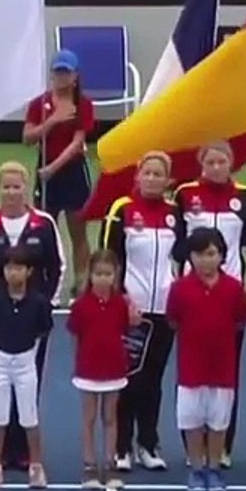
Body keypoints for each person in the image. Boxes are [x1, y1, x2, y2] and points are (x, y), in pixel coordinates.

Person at [0, 161, 66, 471]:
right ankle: (0, 452)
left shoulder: (44, 224)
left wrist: (46, 306)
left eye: (17, 186)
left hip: (31, 321)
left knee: (28, 382)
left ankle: (25, 451)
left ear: (26, 188)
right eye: (6, 186)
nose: (11, 192)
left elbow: (57, 268)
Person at [172, 142, 246, 467]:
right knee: (191, 373)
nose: (215, 166)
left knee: (226, 373)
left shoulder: (245, 197)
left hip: (229, 295)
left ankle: (222, 447)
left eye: (221, 161)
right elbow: (177, 242)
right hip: (192, 296)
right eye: (210, 161)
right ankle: (192, 448)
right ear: (201, 164)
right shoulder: (184, 194)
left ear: (231, 163)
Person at [99, 151, 177, 473]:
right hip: (132, 311)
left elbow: (184, 257)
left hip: (165, 311)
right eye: (148, 173)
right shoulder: (122, 210)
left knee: (154, 380)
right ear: (138, 176)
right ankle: (121, 447)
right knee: (128, 379)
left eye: (159, 174)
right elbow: (108, 259)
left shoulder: (176, 214)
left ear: (167, 180)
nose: (153, 179)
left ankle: (148, 443)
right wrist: (122, 301)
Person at [167, 228, 246, 491]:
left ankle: (214, 468)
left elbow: (240, 319)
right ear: (191, 257)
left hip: (223, 367)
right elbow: (173, 319)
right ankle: (196, 468)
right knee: (191, 421)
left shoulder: (233, 288)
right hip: (191, 367)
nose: (206, 260)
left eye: (211, 254)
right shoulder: (180, 289)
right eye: (200, 255)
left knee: (218, 422)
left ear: (221, 256)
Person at [0, 247, 55, 489]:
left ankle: (36, 466)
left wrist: (27, 345)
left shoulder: (38, 303)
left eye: (19, 268)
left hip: (25, 362)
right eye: (10, 268)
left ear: (29, 271)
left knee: (28, 415)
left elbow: (45, 327)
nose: (14, 273)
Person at [25, 49, 96, 299]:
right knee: (44, 230)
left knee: (78, 231)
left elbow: (78, 142)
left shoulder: (83, 105)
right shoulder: (39, 105)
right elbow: (28, 138)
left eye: (66, 72)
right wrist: (53, 120)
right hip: (45, 174)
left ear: (75, 75)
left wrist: (52, 169)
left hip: (73, 173)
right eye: (58, 71)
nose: (62, 77)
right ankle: (48, 282)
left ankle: (81, 283)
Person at [68, 249, 140, 489]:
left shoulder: (121, 304)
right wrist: (77, 364)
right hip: (88, 369)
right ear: (90, 275)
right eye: (98, 273)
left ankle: (110, 464)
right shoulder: (81, 305)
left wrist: (134, 315)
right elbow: (75, 337)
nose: (103, 278)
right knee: (88, 419)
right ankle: (89, 466)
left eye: (107, 274)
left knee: (110, 418)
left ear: (115, 275)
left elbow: (126, 332)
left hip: (114, 369)